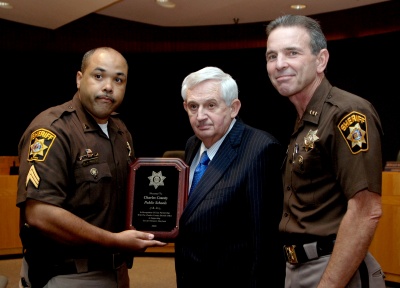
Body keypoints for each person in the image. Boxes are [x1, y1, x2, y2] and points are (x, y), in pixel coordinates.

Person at [16, 47, 166, 288]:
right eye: (99, 76)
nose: (109, 86)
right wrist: (115, 241)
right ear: (79, 79)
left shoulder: (120, 131)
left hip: (115, 271)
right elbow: (40, 214)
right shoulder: (53, 130)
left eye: (118, 79)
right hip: (67, 274)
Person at [265, 15, 386, 287]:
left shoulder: (348, 114)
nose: (279, 64)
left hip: (334, 270)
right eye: (271, 56)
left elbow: (366, 211)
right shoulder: (305, 119)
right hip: (299, 267)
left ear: (321, 60)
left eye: (292, 53)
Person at [174, 66, 285, 287]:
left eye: (211, 105)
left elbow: (264, 244)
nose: (201, 116)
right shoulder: (192, 145)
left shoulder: (260, 149)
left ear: (234, 108)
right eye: (193, 107)